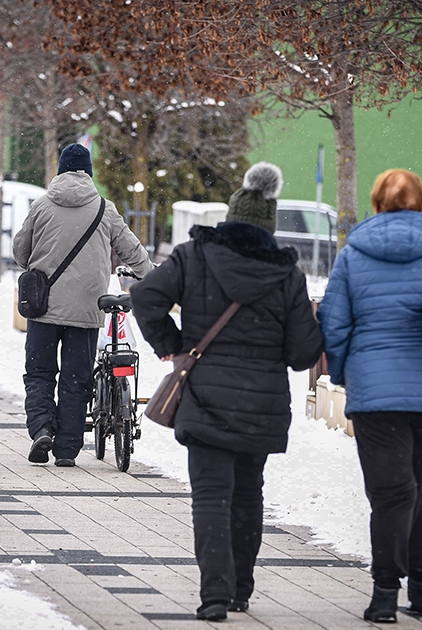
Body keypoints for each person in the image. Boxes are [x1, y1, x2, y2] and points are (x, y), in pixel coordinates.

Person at [130, 161, 324, 621]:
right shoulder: (288, 275)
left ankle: (214, 593)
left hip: (205, 398)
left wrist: (173, 345)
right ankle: (240, 590)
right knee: (248, 494)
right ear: (269, 225)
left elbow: (145, 298)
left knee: (211, 496)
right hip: (261, 404)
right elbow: (302, 355)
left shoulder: (193, 257)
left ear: (231, 216)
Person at [318, 169, 422, 622]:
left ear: (376, 205)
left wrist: (344, 372)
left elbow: (334, 323)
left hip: (376, 397)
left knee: (392, 494)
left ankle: (384, 594)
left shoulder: (353, 255)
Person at [13, 144, 154, 468]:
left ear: (61, 170)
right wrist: (155, 278)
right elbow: (131, 250)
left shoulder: (42, 205)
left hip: (43, 307)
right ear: (88, 172)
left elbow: (21, 253)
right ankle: (66, 449)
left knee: (39, 373)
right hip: (87, 310)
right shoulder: (105, 209)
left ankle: (42, 428)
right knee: (77, 380)